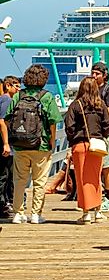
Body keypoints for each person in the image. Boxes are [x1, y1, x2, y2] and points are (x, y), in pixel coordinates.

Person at [1, 65, 62, 224]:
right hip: (40, 145)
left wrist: (12, 138)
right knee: (39, 181)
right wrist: (51, 141)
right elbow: (53, 121)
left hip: (20, 146)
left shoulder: (18, 96)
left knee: (19, 180)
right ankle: (35, 214)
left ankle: (18, 213)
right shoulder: (46, 96)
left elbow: (7, 118)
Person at [63, 77, 109, 224]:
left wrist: (73, 141)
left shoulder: (75, 105)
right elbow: (108, 125)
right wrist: (102, 136)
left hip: (80, 145)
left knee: (82, 179)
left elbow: (69, 126)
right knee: (95, 177)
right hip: (96, 144)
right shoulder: (100, 105)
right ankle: (97, 211)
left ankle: (86, 213)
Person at [90, 61, 109, 213]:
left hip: (104, 133)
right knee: (93, 167)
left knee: (106, 167)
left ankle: (108, 198)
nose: (94, 76)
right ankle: (94, 196)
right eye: (93, 73)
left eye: (97, 74)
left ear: (104, 75)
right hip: (91, 133)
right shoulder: (90, 89)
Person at [0, 76, 19, 218]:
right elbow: (2, 122)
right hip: (8, 147)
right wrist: (6, 143)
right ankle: (5, 206)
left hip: (7, 145)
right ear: (8, 85)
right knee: (7, 176)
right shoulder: (7, 100)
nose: (18, 89)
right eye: (16, 86)